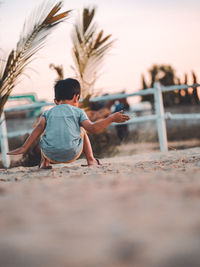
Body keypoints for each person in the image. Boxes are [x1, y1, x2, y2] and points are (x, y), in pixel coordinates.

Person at [7, 78, 130, 169]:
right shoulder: (78, 112)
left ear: (56, 101)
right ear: (77, 98)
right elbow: (93, 128)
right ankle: (91, 160)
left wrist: (23, 148)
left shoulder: (47, 113)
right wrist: (111, 118)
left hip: (50, 154)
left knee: (42, 132)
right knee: (83, 130)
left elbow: (37, 130)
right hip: (72, 153)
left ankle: (44, 163)